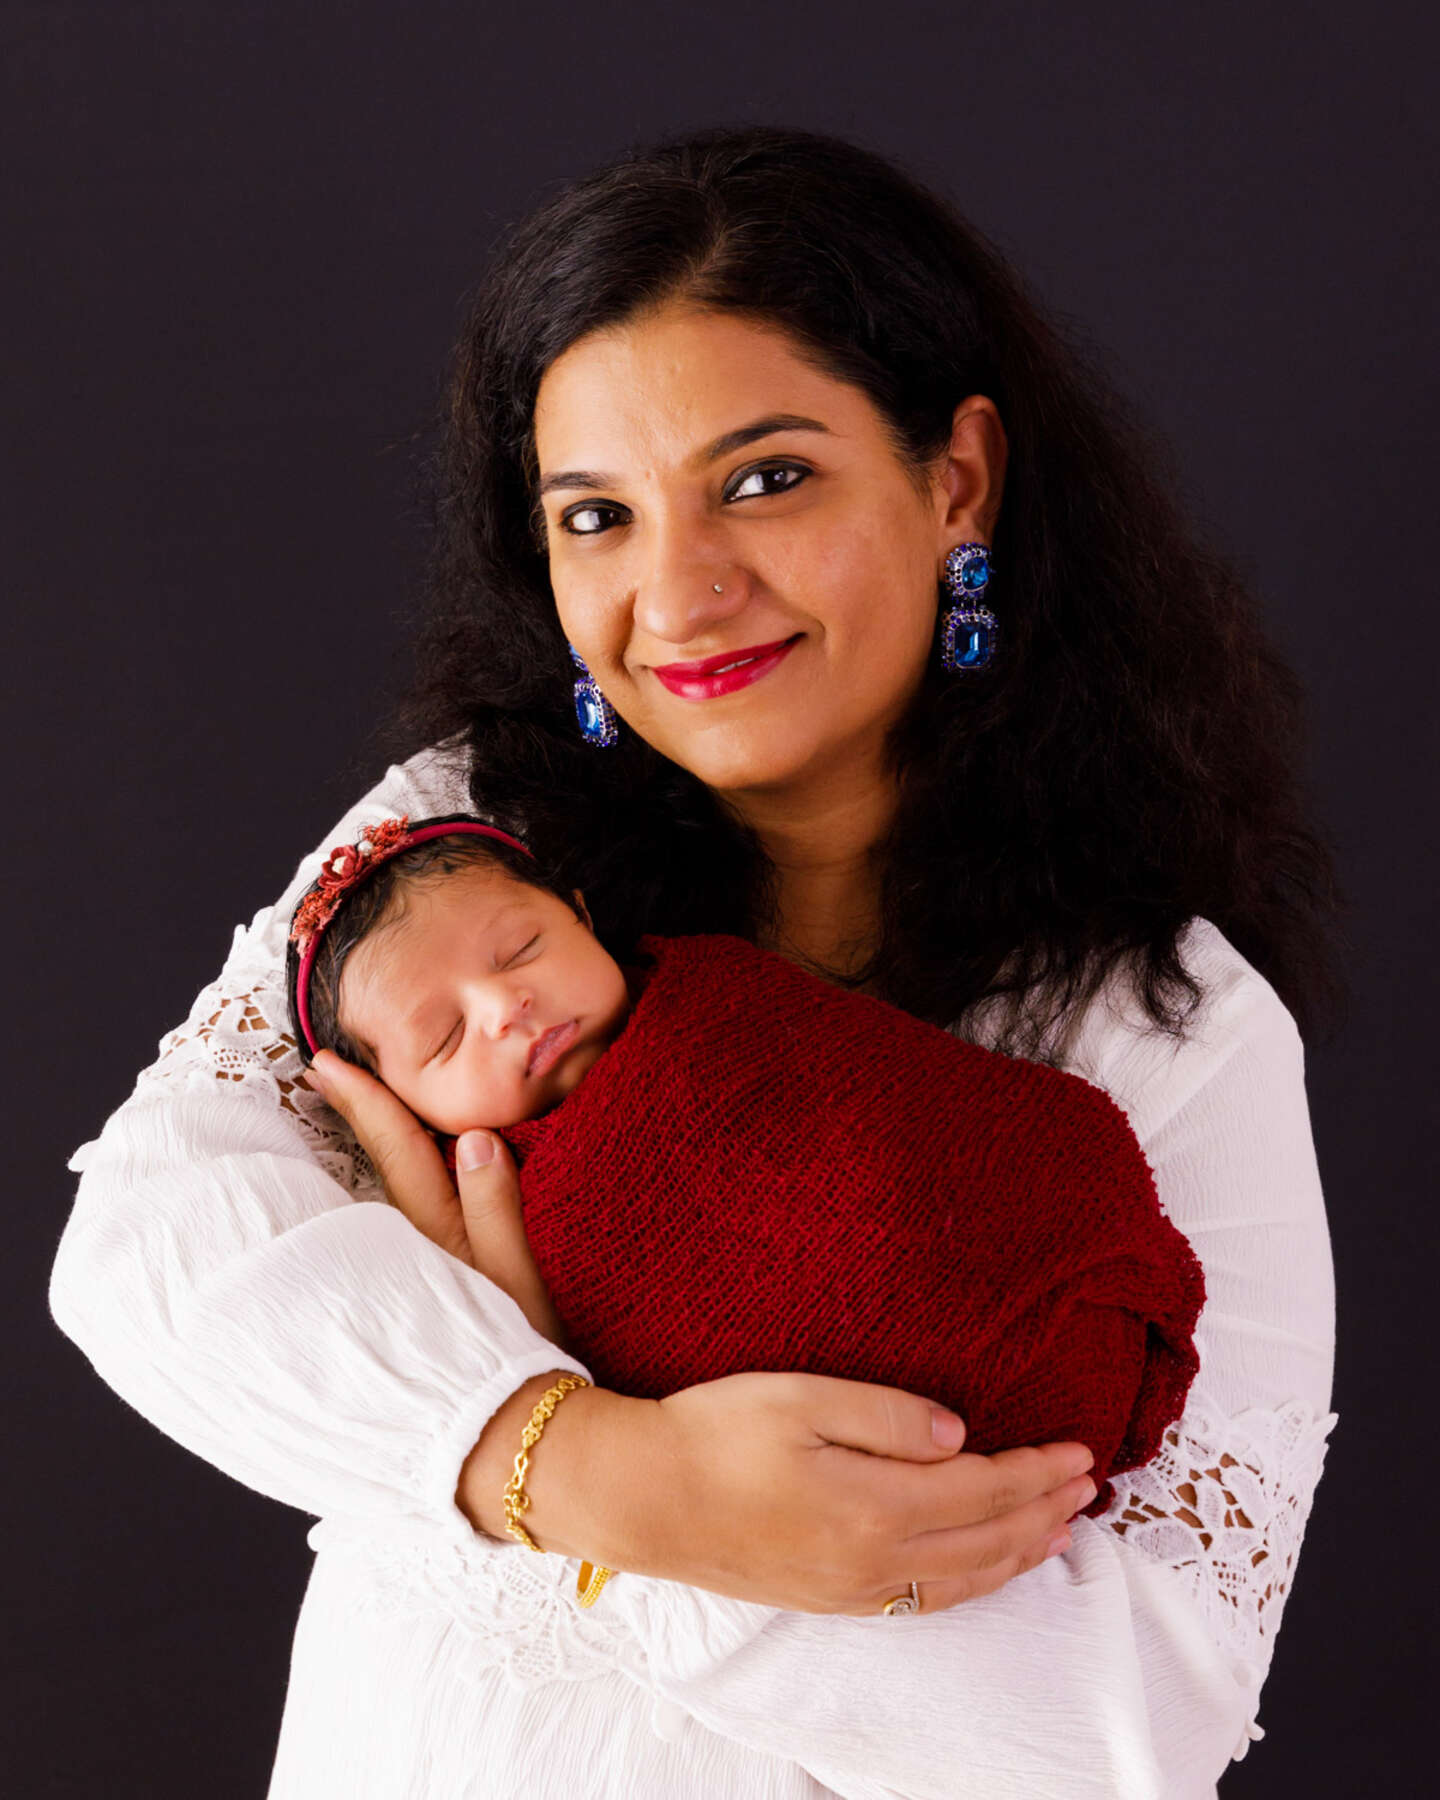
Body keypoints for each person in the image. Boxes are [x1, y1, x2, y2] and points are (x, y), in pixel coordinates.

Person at [50, 125, 1341, 1798]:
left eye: (764, 479)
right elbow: (147, 1249)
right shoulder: (466, 852)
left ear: (957, 480)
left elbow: (1122, 1729)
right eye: (597, 515)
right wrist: (590, 1466)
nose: (680, 593)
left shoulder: (1163, 1022)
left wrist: (590, 1452)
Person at [284, 808, 1205, 1541]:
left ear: (580, 912)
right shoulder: (492, 1209)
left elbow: (886, 1109)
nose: (504, 1006)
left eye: (522, 948)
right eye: (443, 1037)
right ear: (397, 1109)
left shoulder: (717, 990)